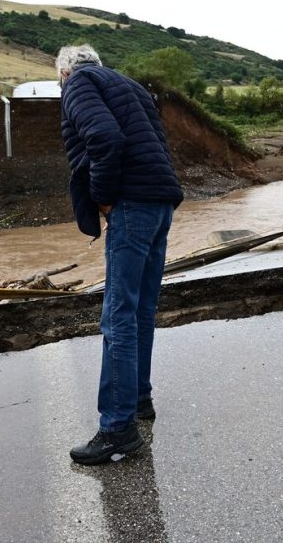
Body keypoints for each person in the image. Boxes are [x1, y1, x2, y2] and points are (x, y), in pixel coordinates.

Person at [57, 45, 184, 465]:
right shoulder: (128, 84)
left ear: (63, 72)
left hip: (131, 204)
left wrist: (104, 196)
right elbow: (157, 144)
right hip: (161, 203)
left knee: (118, 316)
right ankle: (139, 400)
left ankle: (116, 428)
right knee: (141, 310)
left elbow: (104, 137)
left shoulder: (78, 83)